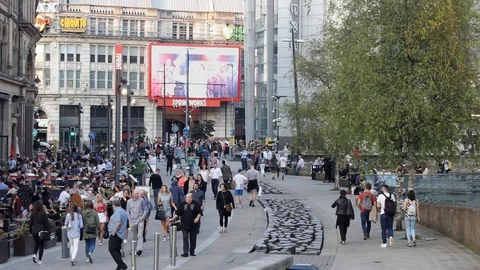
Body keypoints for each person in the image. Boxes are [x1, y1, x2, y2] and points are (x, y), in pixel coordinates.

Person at [174, 193, 202, 257]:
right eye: (186, 197)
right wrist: (172, 219)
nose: (187, 199)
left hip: (193, 225)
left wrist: (197, 218)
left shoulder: (196, 204)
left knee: (193, 238)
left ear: (191, 198)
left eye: (188, 197)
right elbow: (178, 213)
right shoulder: (182, 204)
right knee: (185, 238)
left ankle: (192, 251)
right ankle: (185, 252)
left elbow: (199, 212)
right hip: (184, 225)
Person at [126, 189, 149, 256]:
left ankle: (139, 249)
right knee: (133, 236)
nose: (137, 195)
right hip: (132, 220)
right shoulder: (129, 201)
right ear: (132, 194)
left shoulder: (141, 200)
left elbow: (146, 209)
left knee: (140, 235)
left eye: (138, 193)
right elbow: (127, 211)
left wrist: (143, 217)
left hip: (140, 220)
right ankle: (133, 249)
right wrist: (129, 219)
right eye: (136, 193)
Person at [108, 200, 129, 270]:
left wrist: (114, 231)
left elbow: (118, 222)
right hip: (121, 233)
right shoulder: (123, 211)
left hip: (116, 233)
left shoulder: (118, 212)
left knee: (112, 249)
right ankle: (119, 266)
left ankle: (122, 265)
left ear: (114, 205)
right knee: (117, 249)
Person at [29, 200, 50, 265]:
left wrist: (30, 231)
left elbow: (31, 223)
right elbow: (46, 223)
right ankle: (40, 260)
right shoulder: (43, 213)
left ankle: (34, 254)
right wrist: (48, 230)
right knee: (41, 246)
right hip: (41, 231)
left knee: (36, 244)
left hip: (34, 231)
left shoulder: (33, 213)